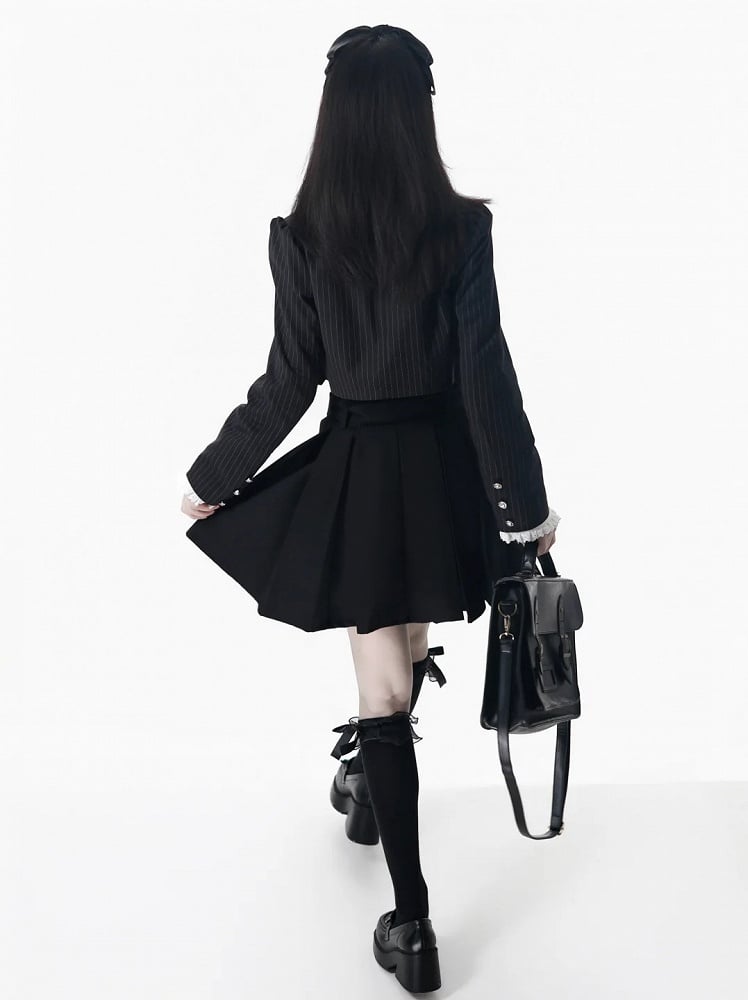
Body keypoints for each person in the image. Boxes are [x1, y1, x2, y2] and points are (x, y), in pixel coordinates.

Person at [180, 24, 559, 994]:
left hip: (360, 467)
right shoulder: (460, 229)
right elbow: (486, 376)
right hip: (443, 471)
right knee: (399, 662)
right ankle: (366, 790)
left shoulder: (304, 236)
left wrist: (215, 474)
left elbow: (290, 379)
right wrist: (525, 508)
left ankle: (413, 921)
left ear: (335, 115)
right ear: (418, 115)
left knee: (382, 688)